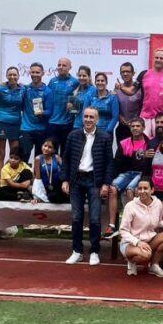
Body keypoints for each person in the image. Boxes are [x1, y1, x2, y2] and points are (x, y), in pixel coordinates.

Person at [60, 107, 114, 266]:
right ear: (82, 118)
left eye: (92, 117)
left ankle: (95, 251)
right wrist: (65, 179)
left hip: (94, 181)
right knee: (76, 217)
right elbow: (66, 159)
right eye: (86, 117)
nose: (88, 120)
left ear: (97, 120)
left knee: (95, 218)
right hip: (76, 180)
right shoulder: (73, 135)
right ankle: (77, 251)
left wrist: (106, 183)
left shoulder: (104, 137)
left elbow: (109, 163)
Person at [119, 177, 163, 277]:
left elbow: (158, 222)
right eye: (139, 188)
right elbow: (123, 231)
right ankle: (131, 261)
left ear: (152, 190)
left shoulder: (158, 204)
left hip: (149, 240)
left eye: (145, 188)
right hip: (130, 243)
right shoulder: (130, 206)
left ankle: (154, 265)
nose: (142, 191)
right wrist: (137, 242)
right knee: (146, 255)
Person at [107, 117, 151, 239]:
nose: (135, 128)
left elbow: (148, 164)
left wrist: (131, 158)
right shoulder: (124, 142)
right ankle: (111, 225)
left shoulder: (150, 143)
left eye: (138, 126)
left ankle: (131, 225)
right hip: (127, 172)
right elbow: (117, 164)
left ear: (143, 128)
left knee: (130, 190)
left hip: (141, 174)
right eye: (133, 126)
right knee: (113, 188)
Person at [0, 66, 25, 185]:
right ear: (7, 76)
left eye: (14, 75)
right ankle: (0, 180)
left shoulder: (23, 89)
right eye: (10, 75)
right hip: (1, 122)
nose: (12, 77)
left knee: (14, 154)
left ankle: (11, 179)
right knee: (1, 153)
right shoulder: (0, 88)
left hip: (16, 123)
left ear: (18, 76)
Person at [19, 62, 53, 162]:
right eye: (33, 72)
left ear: (43, 73)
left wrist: (42, 113)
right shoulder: (25, 89)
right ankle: (24, 178)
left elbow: (49, 111)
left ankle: (37, 178)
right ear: (30, 73)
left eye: (37, 72)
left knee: (39, 159)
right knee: (23, 157)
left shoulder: (48, 91)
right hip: (26, 128)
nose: (35, 74)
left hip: (41, 129)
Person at [138, 49, 163, 139]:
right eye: (156, 57)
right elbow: (132, 90)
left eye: (161, 58)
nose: (158, 60)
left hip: (161, 117)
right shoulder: (144, 74)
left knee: (160, 143)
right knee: (144, 143)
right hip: (145, 115)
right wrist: (120, 88)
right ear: (153, 59)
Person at [47, 57, 79, 155]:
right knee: (51, 153)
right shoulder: (52, 81)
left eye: (64, 65)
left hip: (67, 123)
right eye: (59, 65)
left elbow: (80, 98)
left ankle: (64, 171)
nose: (61, 67)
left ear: (70, 67)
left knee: (65, 153)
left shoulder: (75, 82)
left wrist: (73, 106)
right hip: (52, 123)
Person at [114, 62, 143, 142]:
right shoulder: (117, 89)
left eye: (128, 71)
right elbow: (114, 107)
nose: (125, 74)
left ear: (133, 73)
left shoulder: (140, 89)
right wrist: (119, 116)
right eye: (123, 72)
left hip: (137, 128)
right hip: (122, 128)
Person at [34, 137, 66, 204]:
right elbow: (38, 178)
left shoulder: (56, 157)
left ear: (54, 150)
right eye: (45, 146)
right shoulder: (38, 159)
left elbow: (64, 170)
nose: (46, 148)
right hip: (46, 188)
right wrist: (36, 197)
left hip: (58, 186)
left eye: (49, 147)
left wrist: (65, 183)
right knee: (52, 197)